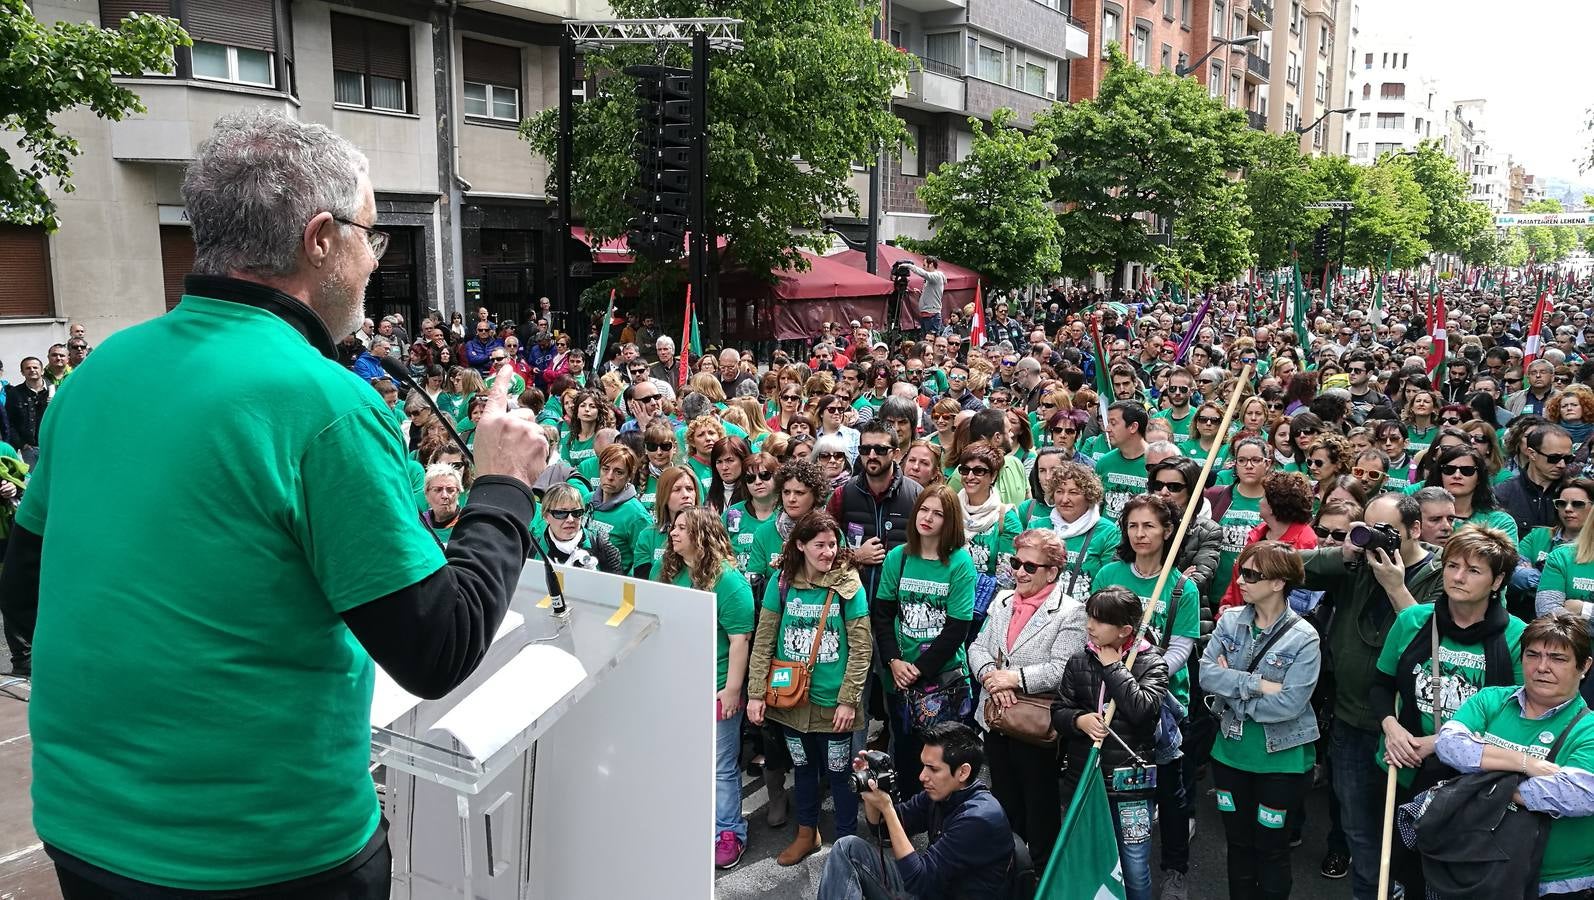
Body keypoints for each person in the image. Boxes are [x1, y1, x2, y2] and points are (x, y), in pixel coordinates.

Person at [0, 111, 547, 897]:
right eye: (373, 234)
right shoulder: (324, 405)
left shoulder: (99, 373)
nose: (374, 263)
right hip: (268, 858)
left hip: (83, 831)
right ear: (320, 239)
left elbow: (24, 595)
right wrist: (502, 485)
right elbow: (439, 647)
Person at [1298, 491, 1445, 900]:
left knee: (1411, 834)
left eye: (1388, 532)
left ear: (1415, 530)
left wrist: (1396, 588)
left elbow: (1432, 647)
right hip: (1350, 720)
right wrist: (1344, 551)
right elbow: (1283, 564)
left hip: (1407, 731)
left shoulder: (1440, 573)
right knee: (1360, 832)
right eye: (1369, 530)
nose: (1376, 541)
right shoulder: (1358, 561)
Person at [1373, 525, 1525, 898]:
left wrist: (1437, 742)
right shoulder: (1412, 620)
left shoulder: (1518, 637)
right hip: (1403, 768)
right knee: (1402, 873)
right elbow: (1380, 685)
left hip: (1470, 785)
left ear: (1497, 580)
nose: (1458, 577)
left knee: (1453, 880)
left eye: (1473, 570)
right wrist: (1391, 726)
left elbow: (1515, 717)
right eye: (1452, 565)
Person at [1432, 610, 1594, 897]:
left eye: (1558, 659)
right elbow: (1449, 745)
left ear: (1584, 666)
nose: (1542, 667)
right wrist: (1526, 763)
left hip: (1558, 884)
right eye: (1532, 655)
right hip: (1477, 866)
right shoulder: (1491, 699)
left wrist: (1480, 779)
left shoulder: (1589, 728)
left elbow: (1577, 793)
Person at [745, 511, 873, 865]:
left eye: (833, 544)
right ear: (800, 545)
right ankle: (807, 834)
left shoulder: (849, 584)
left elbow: (862, 649)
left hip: (834, 707)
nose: (828, 552)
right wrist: (756, 694)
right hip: (791, 703)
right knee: (802, 770)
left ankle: (848, 845)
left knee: (839, 773)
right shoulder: (782, 582)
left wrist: (849, 701)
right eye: (819, 545)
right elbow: (765, 640)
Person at [1201, 541, 1322, 900]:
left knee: (1272, 848)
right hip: (1230, 756)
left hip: (1281, 761)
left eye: (1252, 575)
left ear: (1278, 582)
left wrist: (1233, 693)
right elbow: (1207, 674)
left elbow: (1290, 703)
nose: (1241, 580)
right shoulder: (1229, 621)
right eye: (1241, 570)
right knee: (1237, 844)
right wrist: (1257, 685)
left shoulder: (1305, 637)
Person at [1093, 494, 1201, 891]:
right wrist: (1115, 678)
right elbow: (1090, 634)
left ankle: (1175, 869)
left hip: (1162, 704)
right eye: (1133, 525)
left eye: (1149, 526)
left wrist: (1138, 676)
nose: (1140, 534)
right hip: (1109, 699)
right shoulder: (1109, 574)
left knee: (1170, 793)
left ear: (1167, 530)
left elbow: (1180, 648)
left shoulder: (1179, 587)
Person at [970, 528, 1087, 865]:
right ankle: (1007, 867)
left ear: (1052, 572)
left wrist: (1014, 679)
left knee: (1039, 805)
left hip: (1036, 727)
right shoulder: (1002, 600)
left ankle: (1040, 871)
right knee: (1002, 799)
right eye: (1015, 562)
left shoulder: (1070, 612)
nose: (1019, 571)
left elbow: (1063, 668)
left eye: (1029, 567)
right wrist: (993, 679)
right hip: (994, 716)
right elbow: (978, 647)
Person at [652, 507, 756, 869]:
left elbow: (740, 640)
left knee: (720, 767)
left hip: (715, 687)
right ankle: (692, 823)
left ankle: (730, 832)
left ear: (701, 535)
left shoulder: (729, 582)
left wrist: (731, 691)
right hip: (679, 686)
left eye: (682, 528)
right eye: (674, 527)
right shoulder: (667, 570)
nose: (674, 533)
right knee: (683, 759)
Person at [1052, 585, 1169, 900]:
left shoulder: (1152, 663)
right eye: (1090, 616)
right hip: (1085, 781)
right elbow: (1058, 711)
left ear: (1125, 630)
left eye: (1101, 621)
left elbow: (1142, 711)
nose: (1090, 626)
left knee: (1133, 866)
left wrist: (1113, 667)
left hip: (1129, 787)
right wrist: (1079, 720)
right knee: (1084, 861)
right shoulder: (1078, 660)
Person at [818, 723, 1014, 900]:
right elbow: (883, 830)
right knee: (848, 847)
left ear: (963, 772)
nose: (922, 776)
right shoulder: (940, 794)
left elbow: (918, 882)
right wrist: (870, 790)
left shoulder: (979, 818)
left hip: (936, 890)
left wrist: (887, 808)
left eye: (933, 769)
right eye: (923, 766)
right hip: (933, 887)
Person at [872, 485, 977, 792]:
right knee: (905, 752)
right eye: (924, 510)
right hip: (899, 674)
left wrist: (918, 669)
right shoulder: (898, 557)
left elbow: (958, 628)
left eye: (938, 513)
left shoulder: (959, 562)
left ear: (950, 521)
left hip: (941, 678)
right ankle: (907, 821)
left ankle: (946, 826)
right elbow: (883, 614)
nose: (928, 518)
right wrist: (894, 661)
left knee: (944, 760)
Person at [1218, 470, 1319, 608]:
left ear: (1273, 506)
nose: (1259, 502)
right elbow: (1240, 576)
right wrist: (1229, 604)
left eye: (1264, 497)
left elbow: (1299, 597)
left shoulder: (1305, 541)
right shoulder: (1257, 533)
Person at [1204, 437, 1272, 607]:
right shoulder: (1215, 496)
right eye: (1242, 460)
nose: (1249, 465)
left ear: (1268, 464)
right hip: (1213, 593)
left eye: (1256, 460)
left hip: (1255, 596)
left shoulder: (1275, 502)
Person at [1046, 461, 1121, 603]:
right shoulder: (1039, 526)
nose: (1064, 499)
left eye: (1073, 492)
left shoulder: (1107, 532)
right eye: (1059, 491)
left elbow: (1109, 584)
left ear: (1089, 496)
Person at [955, 441, 1022, 587]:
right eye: (965, 470)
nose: (970, 476)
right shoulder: (950, 509)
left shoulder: (1006, 518)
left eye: (978, 471)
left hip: (985, 603)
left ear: (993, 476)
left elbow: (1006, 579)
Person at [1421, 444, 1517, 540]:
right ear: (1440, 474)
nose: (1457, 475)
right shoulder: (1419, 514)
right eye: (1449, 469)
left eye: (1467, 470)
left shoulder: (1499, 522)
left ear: (1479, 478)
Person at [587, 444, 653, 575]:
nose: (610, 477)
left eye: (619, 472)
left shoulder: (637, 515)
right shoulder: (586, 500)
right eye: (605, 469)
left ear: (629, 476)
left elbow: (644, 561)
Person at [1496, 423, 1574, 531]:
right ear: (1532, 454)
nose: (1562, 464)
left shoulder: (1577, 494)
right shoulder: (1503, 493)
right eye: (1554, 458)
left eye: (1568, 459)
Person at [632, 465, 700, 577]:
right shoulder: (648, 535)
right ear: (664, 496)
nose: (686, 495)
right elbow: (643, 583)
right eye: (677, 490)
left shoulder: (708, 532)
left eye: (690, 489)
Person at [725, 451, 779, 572]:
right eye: (750, 478)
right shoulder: (732, 514)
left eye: (764, 475)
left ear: (777, 477)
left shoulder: (787, 513)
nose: (758, 482)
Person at [1098, 401, 1151, 519]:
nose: (1107, 429)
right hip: (1108, 536)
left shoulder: (1156, 462)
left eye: (1113, 423)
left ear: (1133, 427)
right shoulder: (1104, 462)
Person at [903, 256, 947, 337]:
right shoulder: (931, 279)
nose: (922, 267)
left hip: (932, 315)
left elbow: (924, 274)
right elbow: (933, 294)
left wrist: (910, 266)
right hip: (927, 314)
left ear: (931, 264)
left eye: (924, 265)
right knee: (926, 340)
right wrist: (921, 294)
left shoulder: (936, 276)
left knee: (931, 340)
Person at [420, 462, 464, 543]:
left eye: (450, 490)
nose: (444, 495)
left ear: (458, 493)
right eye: (437, 490)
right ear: (426, 494)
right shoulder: (420, 525)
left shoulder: (467, 524)